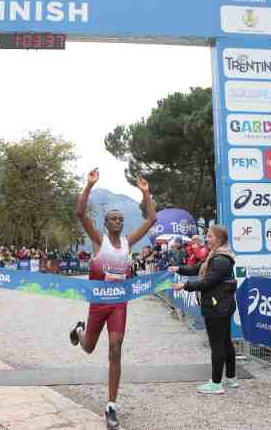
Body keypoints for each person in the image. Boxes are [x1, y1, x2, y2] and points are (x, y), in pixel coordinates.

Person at [69, 168, 156, 430]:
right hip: (98, 304)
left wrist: (146, 192)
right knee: (88, 347)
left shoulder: (129, 243)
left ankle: (111, 405)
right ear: (106, 224)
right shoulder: (99, 242)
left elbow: (152, 218)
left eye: (120, 219)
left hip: (119, 304)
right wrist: (89, 186)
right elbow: (80, 214)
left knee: (116, 349)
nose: (118, 222)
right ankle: (80, 331)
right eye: (114, 219)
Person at [170, 224, 237, 394]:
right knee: (225, 341)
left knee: (217, 344)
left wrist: (184, 285)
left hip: (217, 306)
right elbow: (195, 269)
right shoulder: (213, 256)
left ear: (219, 239)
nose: (207, 239)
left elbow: (206, 282)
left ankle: (216, 383)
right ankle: (230, 378)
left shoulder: (221, 259)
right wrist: (178, 268)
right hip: (221, 305)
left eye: (210, 236)